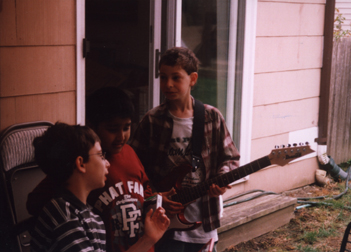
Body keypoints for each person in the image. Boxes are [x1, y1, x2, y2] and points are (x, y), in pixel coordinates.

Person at [27, 88, 171, 252]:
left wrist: (156, 199)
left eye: (126, 128)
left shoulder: (130, 154)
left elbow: (144, 191)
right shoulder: (72, 182)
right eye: (112, 129)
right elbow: (42, 200)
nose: (121, 136)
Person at [130, 47, 240, 252]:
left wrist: (222, 180)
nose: (168, 84)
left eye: (176, 77)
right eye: (163, 77)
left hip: (202, 222)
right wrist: (157, 198)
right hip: (162, 223)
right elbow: (135, 172)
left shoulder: (212, 117)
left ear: (193, 79)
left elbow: (231, 158)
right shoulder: (152, 120)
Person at [30, 122, 109, 251]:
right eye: (100, 155)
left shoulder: (92, 217)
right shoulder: (63, 216)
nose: (107, 163)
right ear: (81, 164)